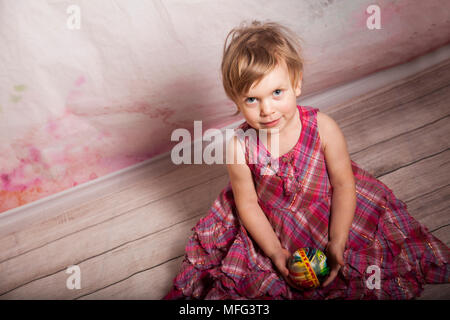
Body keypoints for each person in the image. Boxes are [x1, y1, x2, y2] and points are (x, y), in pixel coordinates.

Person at [164, 20, 449, 299]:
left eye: (277, 93)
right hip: (272, 221)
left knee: (372, 259)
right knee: (249, 278)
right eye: (252, 99)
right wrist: (275, 252)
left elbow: (343, 184)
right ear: (236, 102)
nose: (267, 110)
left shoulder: (323, 128)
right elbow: (248, 204)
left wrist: (337, 241)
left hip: (327, 207)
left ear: (296, 83)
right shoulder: (240, 148)